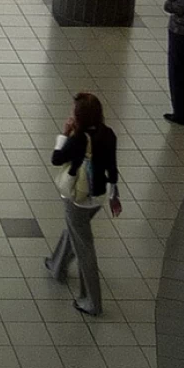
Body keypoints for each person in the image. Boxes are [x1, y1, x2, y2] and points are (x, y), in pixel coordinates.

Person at [46, 92, 122, 317]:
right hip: (98, 196)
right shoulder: (108, 134)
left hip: (78, 197)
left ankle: (92, 300)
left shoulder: (78, 139)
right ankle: (57, 264)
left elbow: (56, 159)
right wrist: (114, 194)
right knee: (75, 229)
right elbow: (112, 167)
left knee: (84, 247)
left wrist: (64, 133)